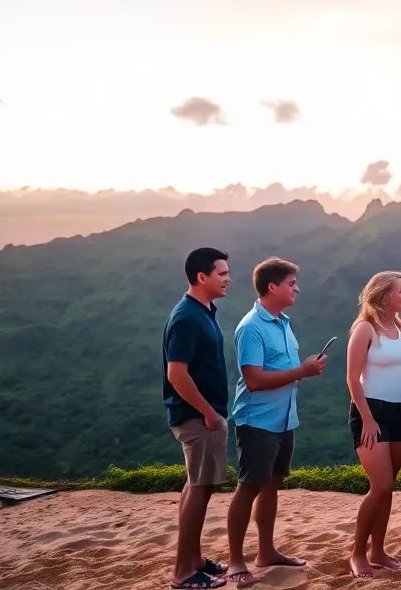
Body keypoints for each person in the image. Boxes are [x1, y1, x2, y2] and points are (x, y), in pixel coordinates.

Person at [225, 258, 327, 585]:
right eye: (291, 283)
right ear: (272, 287)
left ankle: (266, 551)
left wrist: (303, 370)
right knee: (249, 487)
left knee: (272, 485)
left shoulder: (284, 323)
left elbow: (283, 371)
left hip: (284, 420)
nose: (297, 288)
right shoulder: (251, 327)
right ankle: (235, 560)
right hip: (258, 420)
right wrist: (302, 371)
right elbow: (254, 380)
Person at [162, 247, 233, 590]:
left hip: (202, 414)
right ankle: (183, 573)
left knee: (195, 486)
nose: (228, 279)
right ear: (202, 277)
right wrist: (208, 412)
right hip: (198, 417)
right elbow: (176, 373)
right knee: (200, 490)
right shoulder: (187, 317)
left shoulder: (203, 311)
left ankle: (194, 560)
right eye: (222, 273)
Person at [345, 271, 401, 579]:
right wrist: (367, 419)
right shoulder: (365, 329)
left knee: (388, 488)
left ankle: (378, 550)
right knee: (381, 486)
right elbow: (352, 379)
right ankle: (357, 553)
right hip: (371, 412)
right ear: (384, 295)